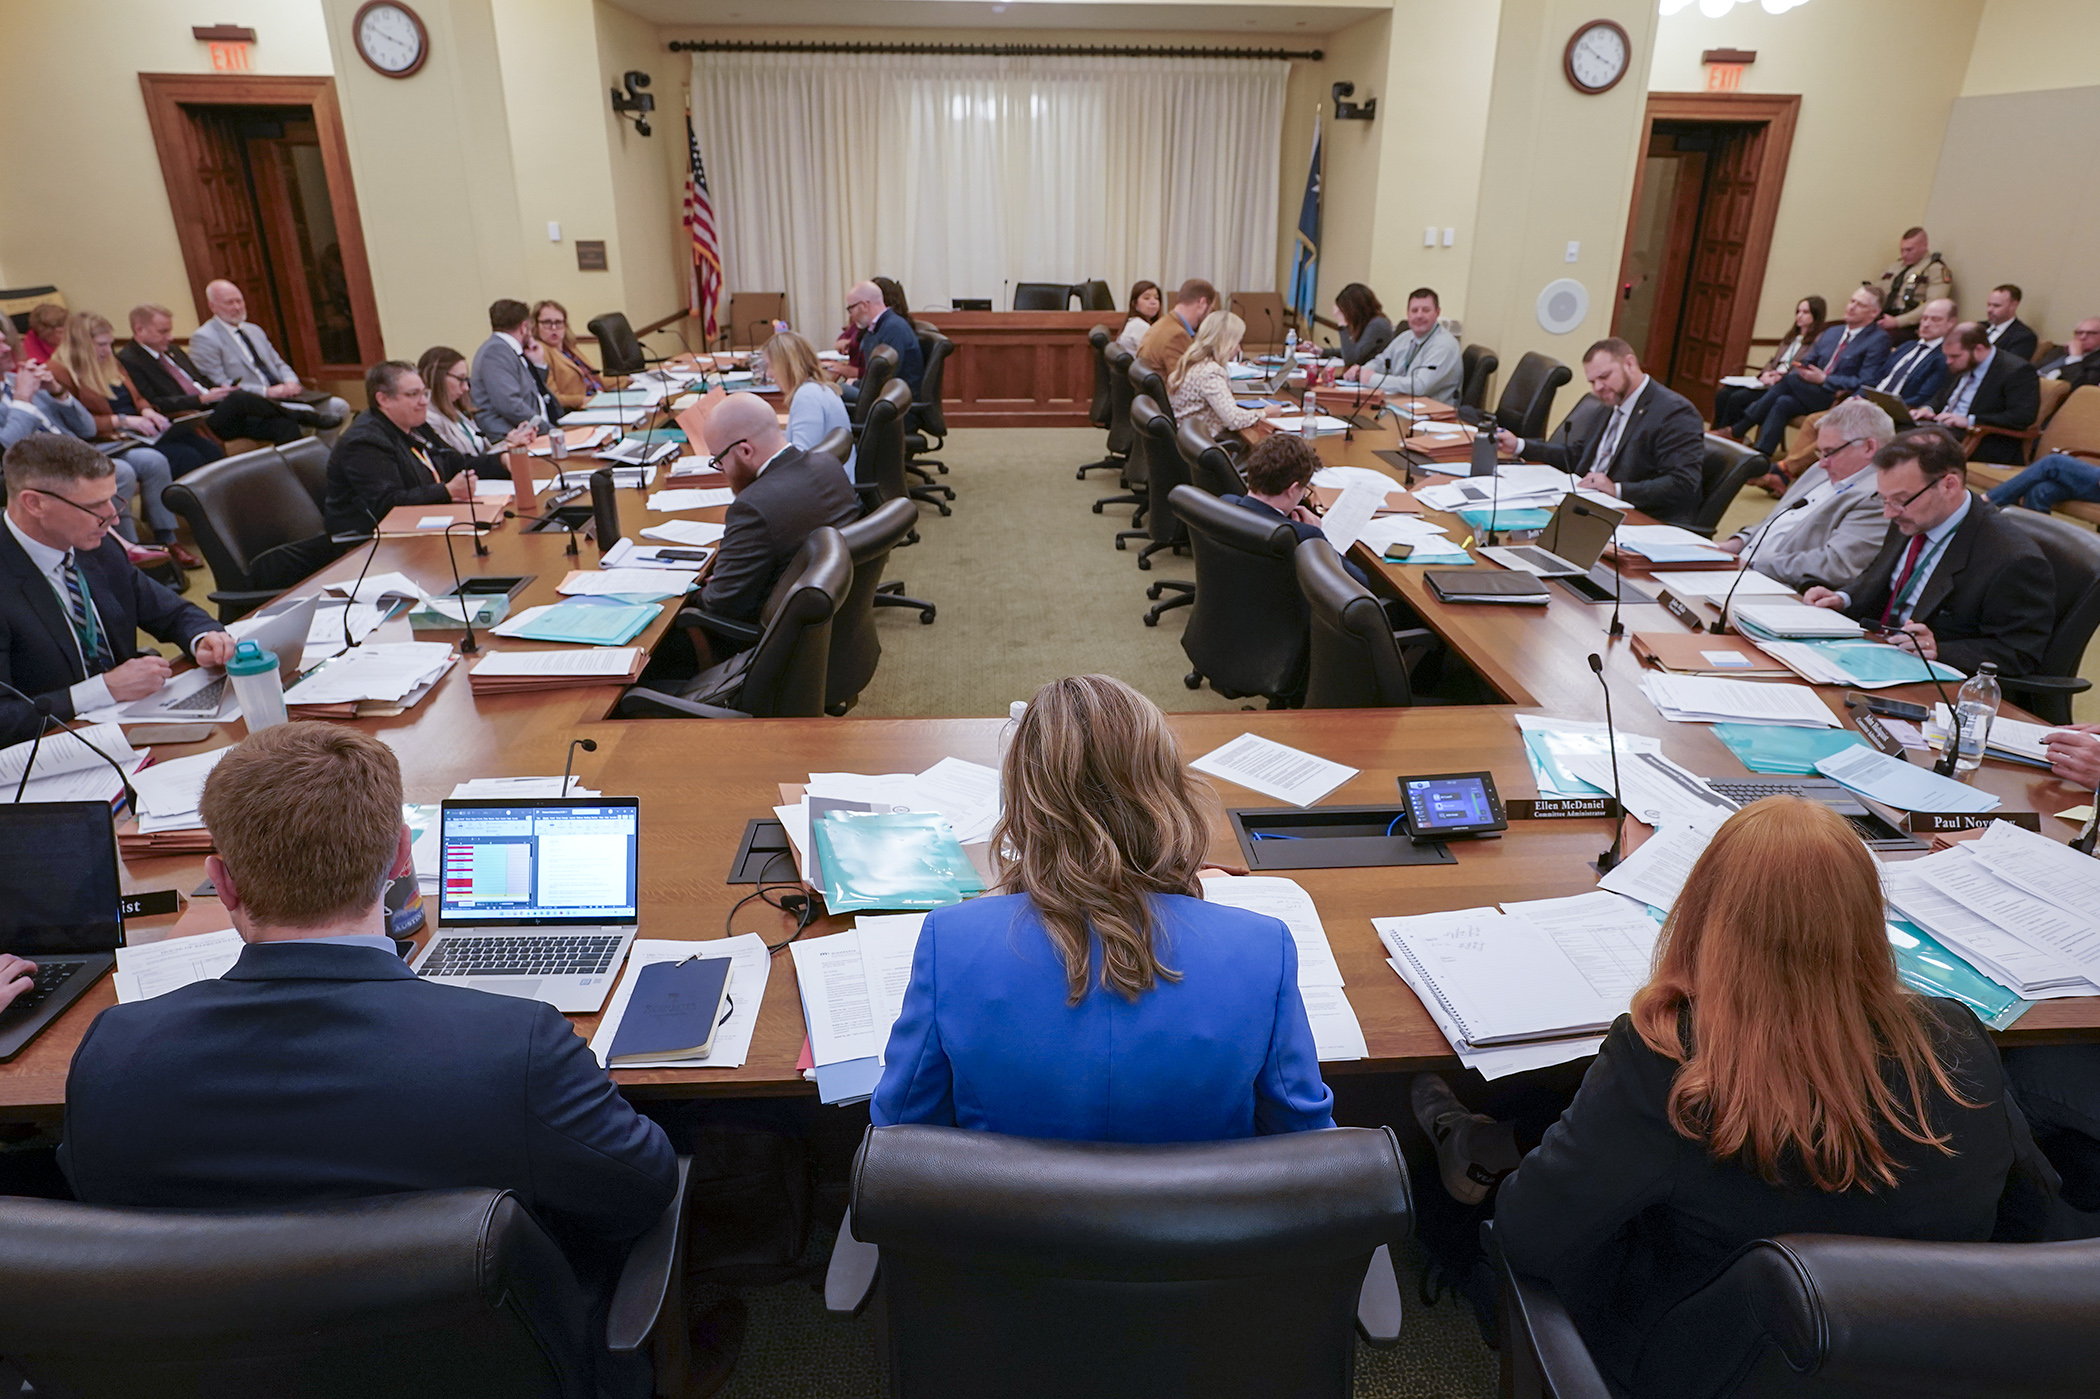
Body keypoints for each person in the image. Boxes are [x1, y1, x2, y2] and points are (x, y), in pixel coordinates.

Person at [57, 722, 686, 1399]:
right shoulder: (516, 1046)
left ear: (223, 882)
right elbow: (644, 1185)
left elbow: (103, 1215)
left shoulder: (114, 1053)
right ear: (397, 860)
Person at [1491, 797, 2059, 1397]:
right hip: (1921, 1369)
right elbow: (2028, 1219)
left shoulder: (1672, 1064)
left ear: (1706, 916)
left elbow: (1524, 1236)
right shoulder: (1956, 1041)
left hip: (1699, 1371)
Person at [872, 673, 1334, 1141]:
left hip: (1008, 1213)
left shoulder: (949, 940)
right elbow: (1304, 1142)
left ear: (1023, 802)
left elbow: (902, 1129)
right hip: (1199, 1213)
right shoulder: (1262, 947)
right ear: (1167, 789)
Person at [0, 435, 232, 745]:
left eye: (113, 499)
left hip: (126, 727)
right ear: (34, 503)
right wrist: (101, 690)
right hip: (47, 750)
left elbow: (172, 612)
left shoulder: (97, 546)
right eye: (94, 506)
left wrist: (203, 638)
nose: (112, 516)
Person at [1803, 427, 2054, 676]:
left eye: (1900, 500)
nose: (1888, 513)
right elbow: (1882, 577)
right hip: (1876, 656)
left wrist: (1939, 650)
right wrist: (1844, 598)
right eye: (1884, 499)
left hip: (1935, 683)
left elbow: (2020, 654)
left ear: (1949, 486)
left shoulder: (2013, 559)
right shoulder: (1911, 513)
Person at [693, 392, 859, 649]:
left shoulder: (752, 506)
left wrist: (715, 586)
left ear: (745, 450)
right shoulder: (828, 463)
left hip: (773, 645)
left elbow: (719, 606)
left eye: (719, 460)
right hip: (836, 627)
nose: (722, 470)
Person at [1498, 338, 1705, 527]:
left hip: (1635, 519)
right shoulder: (1610, 402)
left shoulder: (1674, 412)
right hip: (1587, 506)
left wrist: (1616, 489)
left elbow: (1683, 483)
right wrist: (1520, 446)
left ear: (1630, 364)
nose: (1598, 387)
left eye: (1604, 377)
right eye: (1592, 382)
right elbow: (1578, 454)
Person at [2, 334, 173, 561]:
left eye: (5, 341)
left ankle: (167, 540)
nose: (7, 349)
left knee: (152, 459)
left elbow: (87, 427)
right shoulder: (22, 388)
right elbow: (7, 446)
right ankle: (124, 552)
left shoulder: (18, 380)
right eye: (0, 345)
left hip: (82, 449)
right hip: (39, 469)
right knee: (120, 471)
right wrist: (23, 399)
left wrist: (57, 391)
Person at [1760, 298, 1953, 490]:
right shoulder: (1907, 347)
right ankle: (1791, 478)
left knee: (1839, 430)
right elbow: (1876, 379)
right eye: (1925, 318)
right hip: (1869, 402)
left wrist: (1884, 404)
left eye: (1934, 320)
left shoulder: (1943, 357)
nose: (1926, 323)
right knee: (1814, 421)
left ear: (1950, 323)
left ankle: (1783, 470)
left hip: (1893, 414)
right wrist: (1859, 395)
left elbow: (1922, 396)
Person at [1719, 397, 1895, 592]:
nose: (1822, 462)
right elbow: (1775, 520)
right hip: (1744, 566)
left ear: (1869, 448)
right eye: (1821, 452)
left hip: (1779, 587)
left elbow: (1836, 565)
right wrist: (1738, 542)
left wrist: (1755, 563)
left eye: (1829, 452)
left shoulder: (1879, 497)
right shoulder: (1821, 470)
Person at [323, 360, 501, 537]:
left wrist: (502, 462)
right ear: (383, 399)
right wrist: (447, 491)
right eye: (413, 394)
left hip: (420, 526)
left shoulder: (415, 424)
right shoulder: (364, 441)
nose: (423, 402)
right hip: (369, 543)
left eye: (425, 393)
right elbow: (388, 504)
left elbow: (454, 461)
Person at [48, 311, 223, 478]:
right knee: (186, 456)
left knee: (208, 448)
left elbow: (137, 398)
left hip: (140, 429)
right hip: (112, 437)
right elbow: (76, 422)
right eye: (102, 344)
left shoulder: (110, 362)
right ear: (81, 345)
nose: (109, 351)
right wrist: (124, 420)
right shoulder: (60, 372)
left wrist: (147, 411)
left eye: (110, 343)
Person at [1725, 287, 1891, 451]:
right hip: (1808, 389)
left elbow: (1866, 381)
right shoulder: (1832, 332)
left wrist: (1825, 379)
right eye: (1852, 301)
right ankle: (1760, 457)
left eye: (1860, 305)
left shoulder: (1878, 340)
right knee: (1783, 402)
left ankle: (1738, 430)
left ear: (1874, 312)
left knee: (1788, 380)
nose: (1851, 307)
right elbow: (1807, 360)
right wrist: (1803, 370)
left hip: (1835, 396)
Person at [116, 304, 303, 446]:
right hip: (195, 418)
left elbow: (200, 380)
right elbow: (155, 402)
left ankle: (300, 484)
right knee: (239, 398)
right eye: (163, 331)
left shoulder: (173, 350)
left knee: (284, 425)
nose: (171, 337)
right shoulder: (130, 360)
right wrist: (201, 399)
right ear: (140, 329)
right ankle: (302, 414)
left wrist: (218, 389)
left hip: (217, 408)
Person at [186, 280, 349, 428]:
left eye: (239, 301)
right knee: (305, 412)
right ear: (212, 306)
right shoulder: (204, 338)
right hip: (256, 403)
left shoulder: (254, 330)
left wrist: (291, 382)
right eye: (229, 303)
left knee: (339, 406)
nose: (237, 307)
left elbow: (278, 363)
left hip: (286, 394)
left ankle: (326, 454)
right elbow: (220, 384)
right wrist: (266, 391)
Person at [1220, 433, 1373, 588]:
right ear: (1292, 489)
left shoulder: (1225, 504)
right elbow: (1360, 584)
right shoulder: (1305, 535)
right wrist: (1326, 546)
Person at [1914, 320, 2042, 465]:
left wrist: (1970, 421)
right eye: (1947, 356)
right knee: (1897, 427)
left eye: (1955, 356)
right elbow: (1942, 396)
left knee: (1914, 445)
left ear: (1979, 349)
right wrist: (1928, 408)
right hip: (1943, 427)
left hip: (1983, 440)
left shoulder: (2016, 371)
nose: (1948, 361)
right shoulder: (1963, 363)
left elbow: (2023, 416)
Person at [1711, 296, 1824, 430]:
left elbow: (1805, 368)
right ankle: (1716, 432)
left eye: (1805, 312)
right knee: (1723, 394)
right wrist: (1766, 373)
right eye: (1798, 312)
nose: (1799, 316)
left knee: (1737, 398)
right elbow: (1773, 361)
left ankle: (1730, 436)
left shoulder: (1818, 342)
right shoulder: (1791, 337)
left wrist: (1779, 377)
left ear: (1816, 316)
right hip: (1768, 380)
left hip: (1782, 386)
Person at [1166, 311, 1282, 440]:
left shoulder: (1194, 362)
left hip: (1189, 440)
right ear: (1225, 342)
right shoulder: (1210, 373)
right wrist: (1264, 413)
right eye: (1237, 342)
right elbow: (1234, 419)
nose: (1239, 349)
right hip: (1202, 443)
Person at [762, 329, 856, 482]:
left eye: (770, 366)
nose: (769, 374)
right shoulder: (817, 388)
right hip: (832, 482)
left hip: (826, 489)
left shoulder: (807, 396)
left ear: (786, 366)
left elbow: (800, 459)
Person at [1347, 287, 1461, 405]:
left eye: (1426, 310)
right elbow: (1381, 361)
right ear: (1407, 314)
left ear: (1437, 312)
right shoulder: (1406, 337)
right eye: (1414, 310)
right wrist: (1365, 370)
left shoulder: (1444, 345)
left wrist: (1372, 379)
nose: (1419, 315)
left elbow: (1419, 386)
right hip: (1402, 405)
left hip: (1433, 413)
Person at [416, 345, 534, 458]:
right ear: (438, 378)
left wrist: (510, 441)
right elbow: (461, 462)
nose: (466, 387)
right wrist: (507, 446)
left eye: (466, 380)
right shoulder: (430, 419)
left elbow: (484, 455)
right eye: (460, 379)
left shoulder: (457, 412)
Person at [469, 298, 562, 438]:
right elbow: (509, 404)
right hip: (511, 435)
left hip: (534, 430)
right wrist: (549, 430)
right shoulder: (496, 352)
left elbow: (532, 391)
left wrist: (537, 364)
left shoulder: (508, 349)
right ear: (524, 327)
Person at [844, 279, 924, 401]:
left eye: (851, 308)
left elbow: (887, 377)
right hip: (883, 397)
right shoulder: (878, 327)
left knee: (831, 392)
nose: (850, 315)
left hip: (897, 404)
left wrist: (854, 384)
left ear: (864, 305)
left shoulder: (894, 328)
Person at [1873, 225, 1955, 342]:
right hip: (1883, 318)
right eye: (1902, 250)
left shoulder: (1935, 269)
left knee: (1877, 339)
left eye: (1909, 250)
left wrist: (1897, 322)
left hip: (1909, 326)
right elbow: (1876, 293)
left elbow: (1933, 305)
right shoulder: (1894, 267)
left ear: (1924, 246)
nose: (1904, 255)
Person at [530, 299, 606, 409]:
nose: (554, 328)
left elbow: (594, 379)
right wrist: (583, 400)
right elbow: (554, 398)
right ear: (536, 325)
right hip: (580, 408)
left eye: (558, 322)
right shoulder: (540, 352)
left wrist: (629, 380)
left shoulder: (569, 346)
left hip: (600, 399)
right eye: (547, 323)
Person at [1135, 279, 1218, 375]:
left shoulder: (1163, 323)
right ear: (1202, 303)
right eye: (1210, 310)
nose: (1208, 316)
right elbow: (1186, 381)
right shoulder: (1177, 335)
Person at [1333, 283, 1395, 367]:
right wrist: (1322, 351)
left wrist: (1342, 324)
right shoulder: (1368, 322)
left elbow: (1351, 359)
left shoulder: (1377, 325)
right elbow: (1355, 351)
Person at [2035, 316, 2100, 390]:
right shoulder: (2061, 350)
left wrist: (2075, 357)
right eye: (2079, 333)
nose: (2082, 337)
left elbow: (2080, 387)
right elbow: (2037, 369)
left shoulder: (2097, 361)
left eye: (2091, 333)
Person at [1981, 283, 2040, 361]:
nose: (1990, 310)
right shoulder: (1979, 326)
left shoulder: (2023, 337)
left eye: (1996, 306)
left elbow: (2011, 367)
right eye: (1989, 305)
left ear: (2013, 306)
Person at [1116, 280, 1162, 356]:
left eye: (1156, 298)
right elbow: (1153, 357)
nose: (1153, 302)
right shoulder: (1139, 325)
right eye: (1146, 298)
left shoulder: (1136, 322)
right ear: (1134, 304)